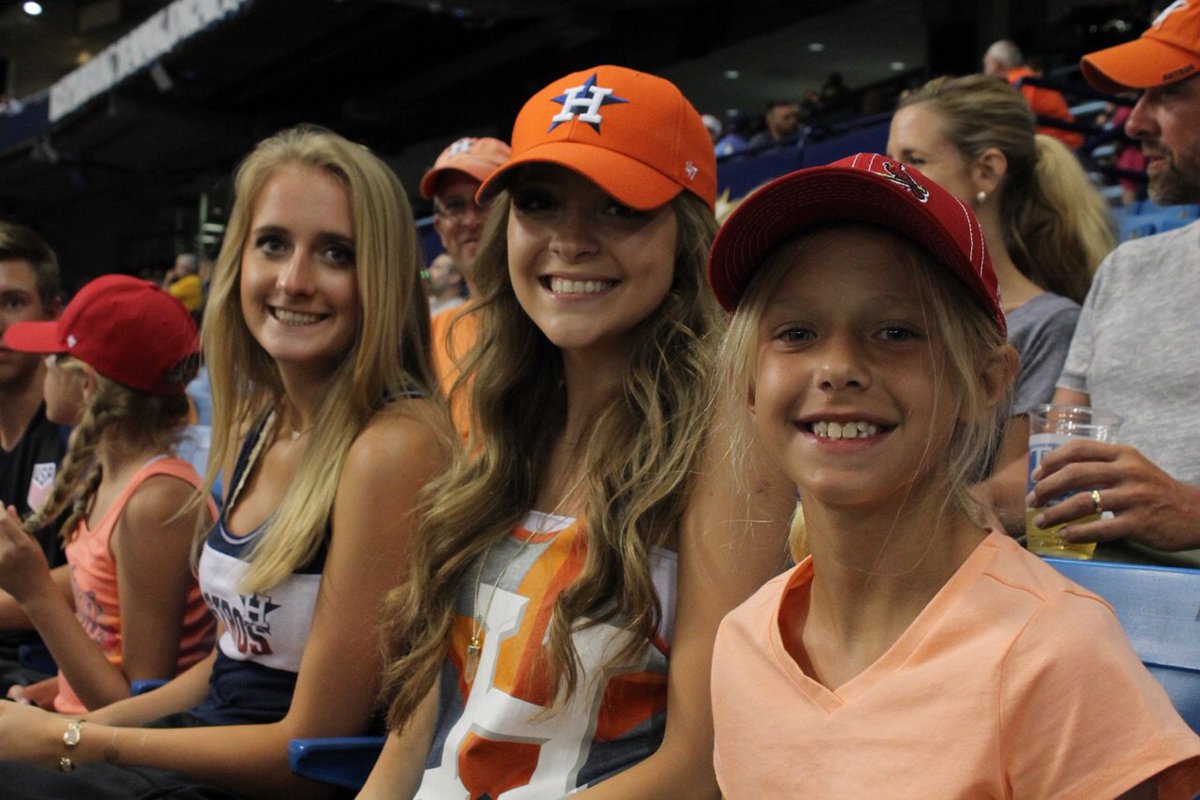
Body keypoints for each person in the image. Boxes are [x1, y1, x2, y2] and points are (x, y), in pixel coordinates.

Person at [706, 153, 1200, 798]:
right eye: (796, 332)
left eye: (895, 331)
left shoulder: (1055, 650)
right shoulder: (742, 639)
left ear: (988, 382)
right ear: (747, 384)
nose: (839, 368)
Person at [360, 65, 793, 799]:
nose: (570, 241)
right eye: (540, 204)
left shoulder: (728, 436)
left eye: (620, 208)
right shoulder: (502, 417)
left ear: (686, 236)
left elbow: (700, 768)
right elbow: (416, 742)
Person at [0, 125, 450, 798]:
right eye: (273, 244)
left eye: (336, 253)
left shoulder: (392, 446)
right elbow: (227, 666)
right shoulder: (266, 421)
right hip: (202, 746)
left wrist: (77, 742)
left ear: (382, 275)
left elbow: (308, 753)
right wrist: (65, 731)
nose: (294, 281)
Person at [887, 73, 1116, 533]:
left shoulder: (1050, 324)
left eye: (915, 161)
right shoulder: (886, 315)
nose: (896, 178)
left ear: (987, 171)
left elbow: (1023, 487)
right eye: (890, 162)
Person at [1029, 1, 1200, 565]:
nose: (1134, 123)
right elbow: (1057, 459)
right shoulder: (1126, 268)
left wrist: (1191, 511)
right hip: (1097, 604)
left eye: (1166, 94)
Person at [0, 274, 215, 713]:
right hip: (85, 728)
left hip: (124, 758)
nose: (44, 366)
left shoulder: (155, 504)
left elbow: (138, 706)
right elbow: (102, 643)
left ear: (87, 387)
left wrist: (35, 590)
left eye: (56, 357)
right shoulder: (109, 478)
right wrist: (49, 694)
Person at [0, 221, 67, 690]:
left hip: (43, 669)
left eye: (13, 302)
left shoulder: (86, 433)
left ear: (53, 313)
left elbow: (99, 580)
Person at [420, 136, 511, 439]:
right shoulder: (431, 337)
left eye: (484, 201)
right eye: (455, 207)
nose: (470, 220)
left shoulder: (559, 324)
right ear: (439, 228)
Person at [983, 39, 1085, 149]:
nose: (984, 71)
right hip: (1058, 143)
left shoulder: (1019, 82)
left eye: (986, 64)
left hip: (1059, 147)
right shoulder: (1024, 78)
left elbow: (1014, 119)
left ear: (996, 65)